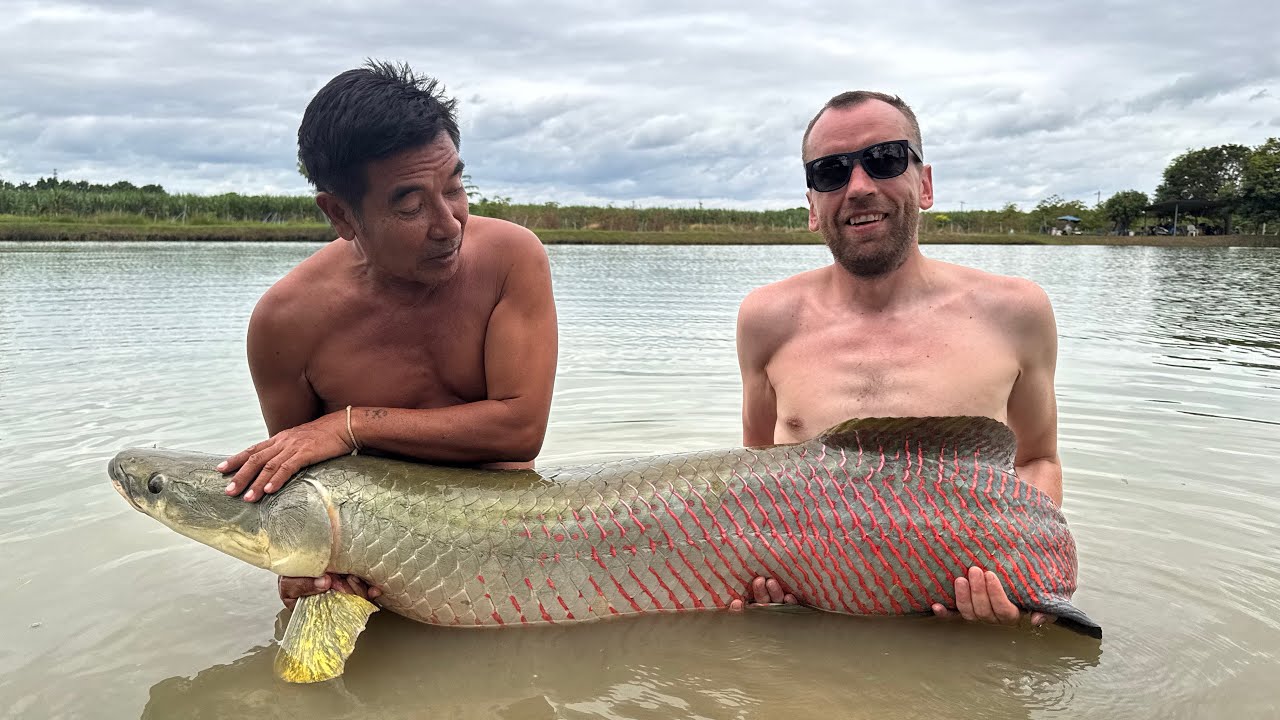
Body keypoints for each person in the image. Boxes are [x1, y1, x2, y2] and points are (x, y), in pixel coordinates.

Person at [217, 61, 559, 609]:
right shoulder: (286, 322)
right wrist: (304, 572)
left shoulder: (511, 259)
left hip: (511, 546)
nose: (449, 224)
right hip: (382, 569)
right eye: (411, 206)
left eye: (455, 188)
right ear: (341, 214)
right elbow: (298, 486)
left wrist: (349, 424)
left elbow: (520, 429)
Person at [732, 91, 1062, 627]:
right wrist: (761, 585)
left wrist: (1021, 574)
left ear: (924, 184)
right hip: (814, 618)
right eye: (831, 172)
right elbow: (756, 479)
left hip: (961, 617)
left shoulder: (1015, 311)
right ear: (812, 205)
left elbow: (1037, 461)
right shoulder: (766, 318)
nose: (859, 186)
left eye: (884, 159)